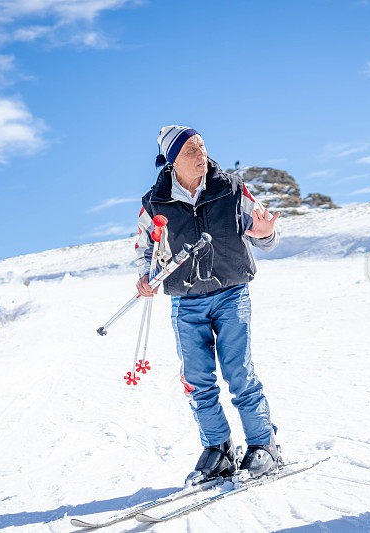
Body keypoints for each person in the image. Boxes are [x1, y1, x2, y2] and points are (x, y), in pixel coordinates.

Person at [135, 125, 281, 483]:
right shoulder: (154, 204)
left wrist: (267, 235)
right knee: (197, 380)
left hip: (231, 291)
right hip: (186, 301)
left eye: (202, 146)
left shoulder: (231, 188)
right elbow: (146, 250)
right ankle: (218, 449)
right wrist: (145, 277)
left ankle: (264, 446)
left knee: (239, 373)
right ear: (172, 163)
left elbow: (266, 235)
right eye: (190, 151)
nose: (201, 154)